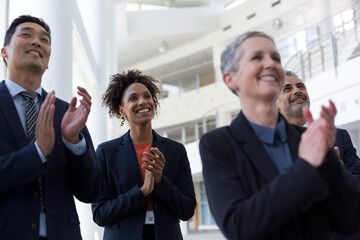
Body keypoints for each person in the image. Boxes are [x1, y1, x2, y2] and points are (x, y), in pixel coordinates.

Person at [199, 31, 360, 239]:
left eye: (276, 58)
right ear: (231, 79)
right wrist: (306, 166)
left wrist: (331, 166)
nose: (271, 63)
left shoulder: (309, 140)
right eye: (257, 57)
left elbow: (350, 220)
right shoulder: (218, 144)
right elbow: (239, 227)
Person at [0, 15, 100, 240]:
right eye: (26, 34)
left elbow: (90, 191)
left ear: (48, 61)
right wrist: (37, 153)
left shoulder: (68, 112)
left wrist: (73, 143)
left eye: (44, 40)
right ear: (4, 51)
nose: (37, 42)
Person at [91, 69, 196, 240]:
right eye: (133, 98)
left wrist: (160, 182)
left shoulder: (175, 151)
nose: (143, 102)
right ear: (121, 110)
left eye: (147, 96)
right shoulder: (106, 152)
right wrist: (142, 192)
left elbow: (187, 210)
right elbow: (100, 213)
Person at [277, 70, 360, 240]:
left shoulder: (339, 136)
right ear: (275, 105)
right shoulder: (269, 146)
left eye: (301, 86)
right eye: (287, 89)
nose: (297, 91)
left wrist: (338, 173)